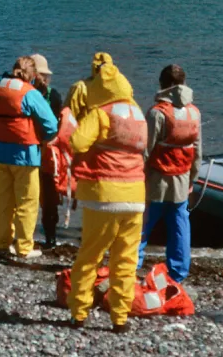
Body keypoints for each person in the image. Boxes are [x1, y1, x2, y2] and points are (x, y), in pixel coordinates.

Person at [67, 56, 146, 333]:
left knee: (90, 255)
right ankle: (120, 319)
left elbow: (77, 142)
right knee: (125, 260)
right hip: (136, 196)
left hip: (104, 195)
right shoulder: (138, 115)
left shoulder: (102, 113)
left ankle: (79, 312)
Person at [0, 55, 59, 259]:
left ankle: (2, 243)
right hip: (24, 154)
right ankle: (24, 247)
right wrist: (43, 138)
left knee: (3, 200)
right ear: (33, 74)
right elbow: (51, 125)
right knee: (27, 201)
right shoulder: (30, 93)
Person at [138, 64, 202, 285]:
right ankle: (178, 274)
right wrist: (192, 179)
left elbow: (146, 150)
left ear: (162, 84)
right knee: (180, 228)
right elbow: (197, 152)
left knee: (141, 227)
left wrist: (137, 176)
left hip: (156, 181)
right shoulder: (194, 112)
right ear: (184, 84)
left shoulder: (157, 113)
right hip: (182, 181)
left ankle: (131, 266)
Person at [32, 53, 75, 248]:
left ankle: (25, 237)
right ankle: (50, 238)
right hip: (49, 153)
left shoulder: (21, 94)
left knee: (27, 197)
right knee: (49, 199)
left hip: (28, 150)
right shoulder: (53, 95)